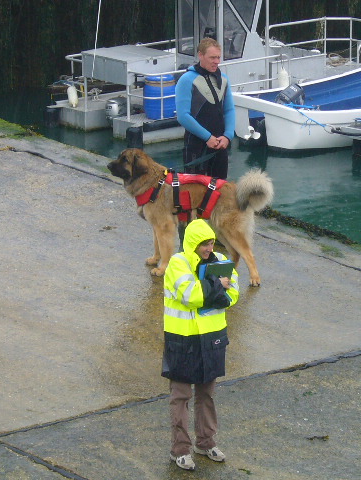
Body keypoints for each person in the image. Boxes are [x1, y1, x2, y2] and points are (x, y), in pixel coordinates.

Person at [162, 219, 239, 471]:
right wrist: (218, 286)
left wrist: (213, 290)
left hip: (212, 339)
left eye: (211, 243)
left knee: (207, 394)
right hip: (182, 340)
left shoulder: (220, 261)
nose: (209, 248)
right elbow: (190, 296)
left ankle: (205, 443)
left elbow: (233, 294)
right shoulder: (177, 263)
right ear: (192, 244)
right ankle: (180, 449)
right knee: (181, 395)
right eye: (204, 244)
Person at [175, 38, 235, 180]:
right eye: (212, 57)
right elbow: (183, 116)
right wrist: (207, 137)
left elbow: (229, 110)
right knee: (195, 193)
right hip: (196, 145)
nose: (216, 61)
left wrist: (228, 136)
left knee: (219, 191)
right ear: (200, 55)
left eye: (218, 57)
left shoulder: (224, 79)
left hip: (220, 144)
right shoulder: (187, 80)